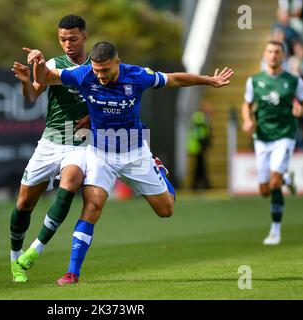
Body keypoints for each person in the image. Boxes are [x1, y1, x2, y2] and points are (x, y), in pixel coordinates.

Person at [26, 41, 234, 284]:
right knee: (92, 206)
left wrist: (208, 80)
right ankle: (73, 272)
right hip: (100, 153)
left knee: (166, 210)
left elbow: (174, 79)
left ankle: (157, 170)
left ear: (118, 62)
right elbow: (47, 78)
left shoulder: (137, 76)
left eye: (105, 70)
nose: (100, 76)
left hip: (134, 152)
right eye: (96, 70)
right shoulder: (83, 74)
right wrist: (38, 63)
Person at [8, 14, 91, 282]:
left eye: (73, 39)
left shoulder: (100, 64)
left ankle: (34, 251)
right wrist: (25, 81)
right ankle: (14, 260)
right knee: (24, 204)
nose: (68, 44)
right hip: (50, 141)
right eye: (62, 39)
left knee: (70, 186)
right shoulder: (54, 65)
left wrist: (92, 117)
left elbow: (113, 96)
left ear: (85, 37)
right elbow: (33, 95)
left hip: (80, 142)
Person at [241, 40, 303, 246]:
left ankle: (275, 230)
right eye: (270, 51)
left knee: (274, 183)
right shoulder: (254, 80)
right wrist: (247, 120)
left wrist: (301, 110)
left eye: (277, 52)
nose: (273, 55)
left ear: (283, 56)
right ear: (264, 54)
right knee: (264, 190)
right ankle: (287, 179)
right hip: (262, 137)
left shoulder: (294, 80)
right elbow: (247, 104)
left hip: (285, 135)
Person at [186, 102, 212, 190]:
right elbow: (199, 131)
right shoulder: (199, 116)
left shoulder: (200, 116)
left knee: (199, 165)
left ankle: (198, 183)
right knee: (200, 165)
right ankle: (202, 183)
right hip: (197, 145)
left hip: (198, 145)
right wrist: (203, 142)